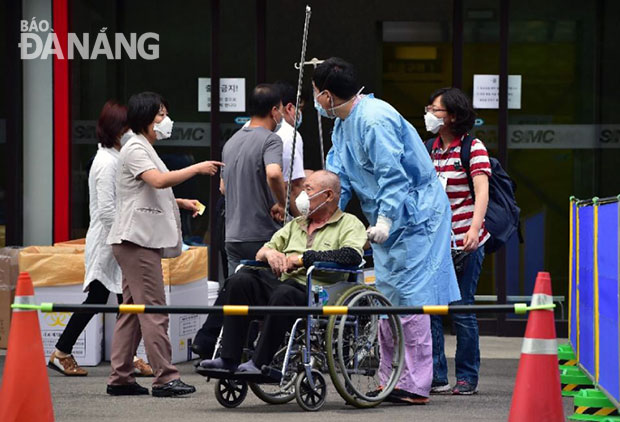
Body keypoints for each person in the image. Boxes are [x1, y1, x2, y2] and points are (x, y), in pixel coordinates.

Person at [313, 57, 461, 405]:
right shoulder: (343, 124)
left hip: (414, 216)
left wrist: (386, 221)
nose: (316, 101)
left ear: (329, 95)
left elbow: (393, 176)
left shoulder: (375, 119)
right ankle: (390, 377)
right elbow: (340, 178)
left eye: (317, 94)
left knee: (410, 300)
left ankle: (414, 383)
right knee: (386, 299)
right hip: (386, 219)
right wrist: (321, 208)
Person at [106, 91, 223, 397]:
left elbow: (148, 188)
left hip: (134, 239)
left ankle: (121, 377)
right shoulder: (135, 148)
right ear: (146, 118)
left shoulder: (141, 146)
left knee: (133, 310)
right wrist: (196, 169)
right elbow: (158, 180)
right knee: (154, 308)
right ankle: (165, 378)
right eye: (160, 115)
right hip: (137, 241)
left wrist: (180, 201)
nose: (165, 120)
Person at [198, 170, 367, 372]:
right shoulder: (296, 224)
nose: (302, 196)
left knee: (284, 292)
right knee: (238, 281)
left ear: (328, 196)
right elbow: (262, 250)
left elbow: (351, 256)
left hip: (316, 292)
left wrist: (304, 259)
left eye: (308, 189)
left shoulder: (349, 223)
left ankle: (260, 363)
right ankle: (228, 358)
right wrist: (270, 254)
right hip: (283, 284)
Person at [48, 101, 152, 378]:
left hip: (115, 240)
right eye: (126, 129)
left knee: (121, 301)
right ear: (115, 130)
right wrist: (126, 238)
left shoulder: (114, 157)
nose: (130, 134)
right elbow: (107, 211)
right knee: (102, 299)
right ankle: (62, 351)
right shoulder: (106, 163)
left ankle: (126, 357)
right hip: (110, 242)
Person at [426, 87, 491, 396]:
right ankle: (437, 376)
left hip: (466, 240)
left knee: (462, 310)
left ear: (452, 115)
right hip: (436, 244)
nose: (429, 113)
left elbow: (482, 192)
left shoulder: (472, 147)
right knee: (433, 310)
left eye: (435, 109)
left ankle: (466, 377)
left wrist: (474, 229)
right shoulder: (430, 148)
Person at [220, 83, 287, 276]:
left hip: (233, 236)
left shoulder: (231, 142)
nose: (281, 115)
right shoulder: (271, 139)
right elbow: (273, 173)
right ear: (274, 110)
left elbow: (223, 188)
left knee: (239, 297)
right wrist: (282, 204)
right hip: (262, 234)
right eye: (281, 109)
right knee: (266, 296)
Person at [273, 81, 306, 217]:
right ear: (290, 108)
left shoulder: (246, 129)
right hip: (273, 214)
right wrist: (304, 226)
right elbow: (293, 186)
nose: (300, 114)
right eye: (301, 109)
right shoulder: (289, 134)